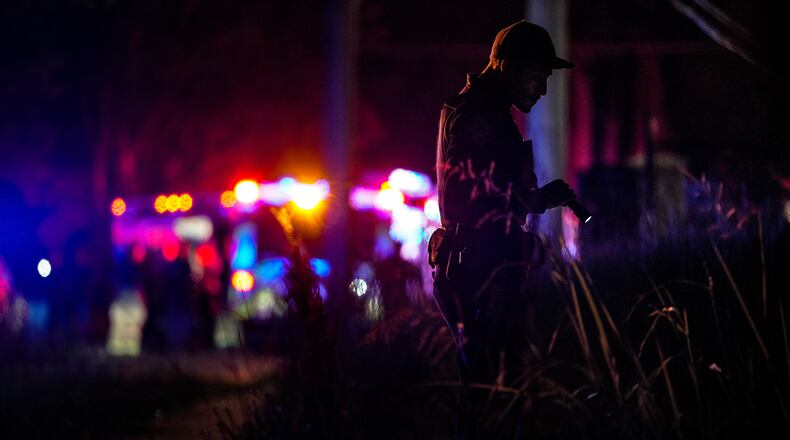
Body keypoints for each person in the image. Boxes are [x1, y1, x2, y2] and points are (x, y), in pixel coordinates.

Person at [430, 19, 577, 434]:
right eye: (537, 76)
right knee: (491, 395)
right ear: (508, 66)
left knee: (491, 393)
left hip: (480, 271)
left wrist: (538, 200)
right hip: (479, 275)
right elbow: (468, 203)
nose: (543, 89)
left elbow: (486, 194)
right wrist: (520, 240)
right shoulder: (477, 115)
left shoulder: (484, 111)